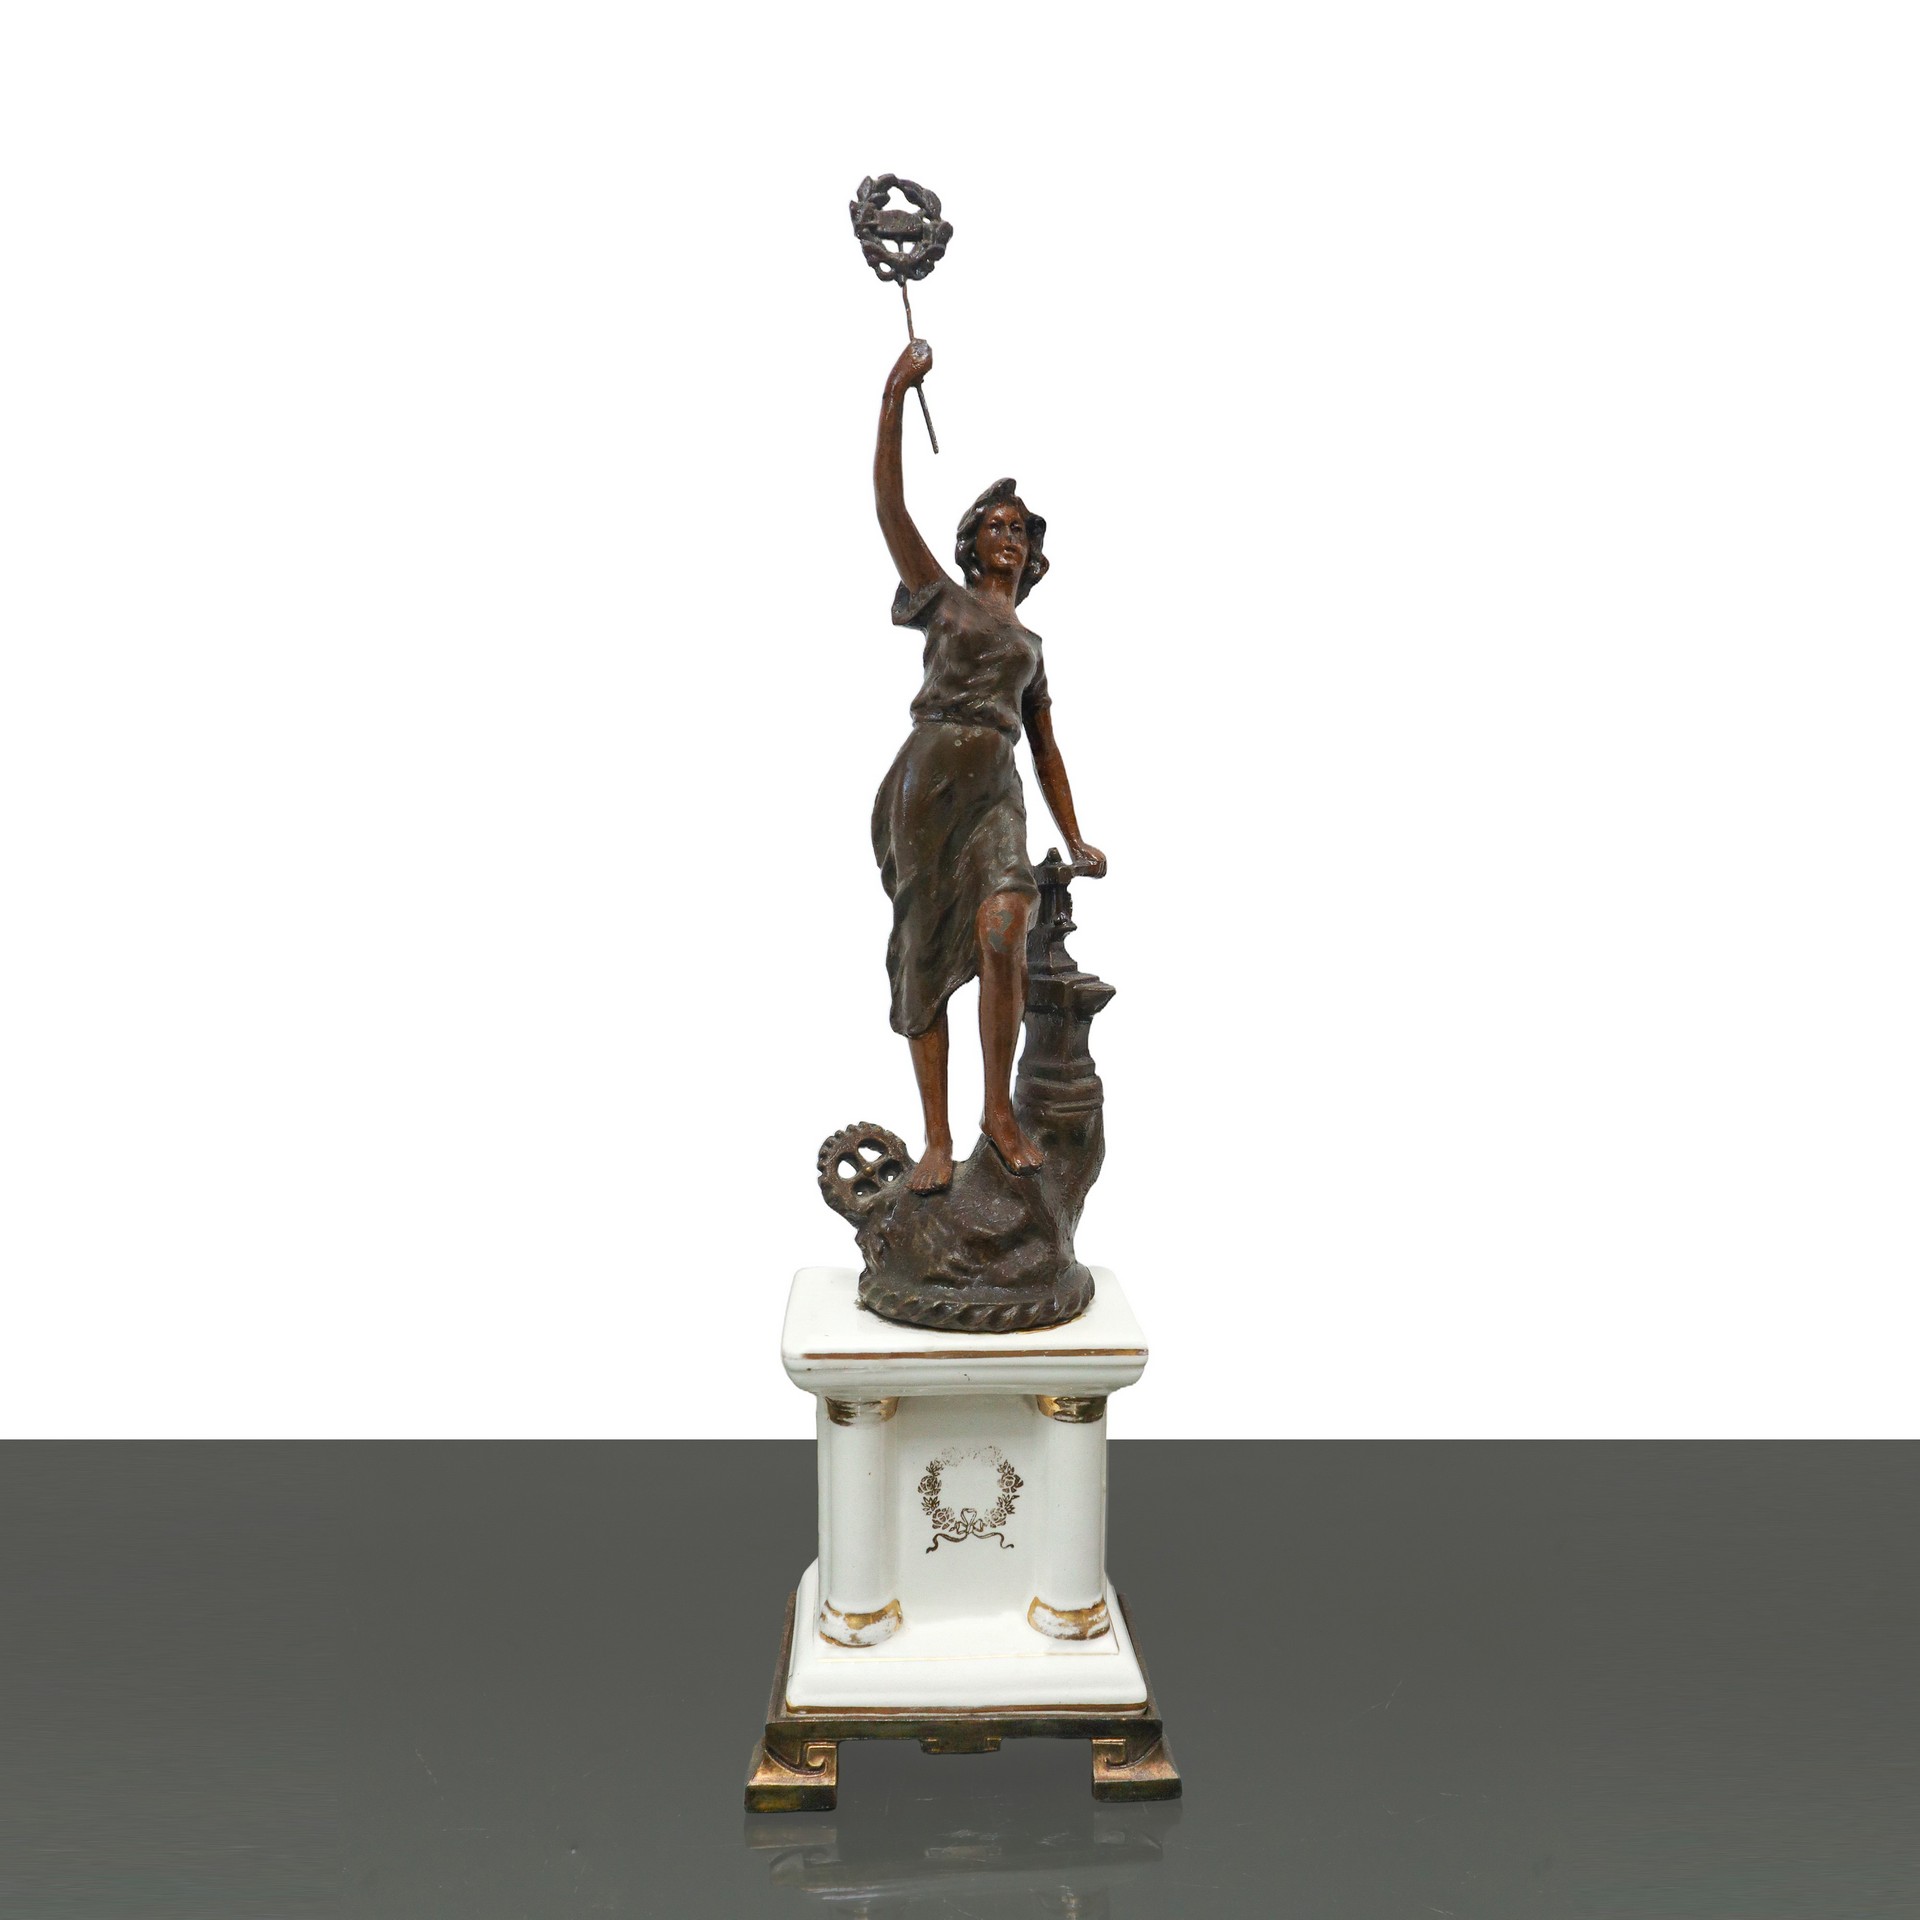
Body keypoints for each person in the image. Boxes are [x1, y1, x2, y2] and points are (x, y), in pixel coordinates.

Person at [871, 338, 1106, 1194]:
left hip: (996, 790)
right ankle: (936, 1140)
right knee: (923, 951)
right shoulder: (942, 599)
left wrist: (1075, 838)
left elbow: (1046, 748)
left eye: (1020, 529)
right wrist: (895, 395)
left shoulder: (1031, 645)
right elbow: (890, 507)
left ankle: (996, 1112)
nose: (1009, 536)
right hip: (928, 782)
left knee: (1006, 926)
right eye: (996, 526)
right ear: (972, 543)